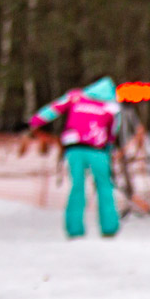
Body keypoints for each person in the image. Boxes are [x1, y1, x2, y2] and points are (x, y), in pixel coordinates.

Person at [28, 76, 121, 238]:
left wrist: (34, 122)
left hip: (74, 148)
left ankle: (74, 228)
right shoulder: (111, 106)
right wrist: (109, 149)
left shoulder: (76, 97)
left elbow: (53, 109)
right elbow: (112, 132)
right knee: (105, 187)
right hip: (98, 150)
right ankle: (109, 227)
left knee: (77, 186)